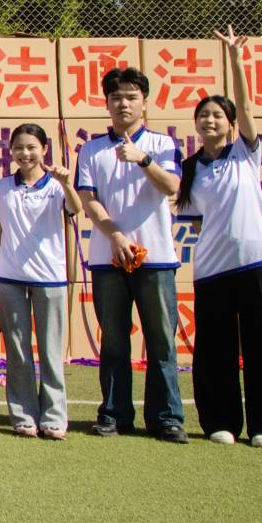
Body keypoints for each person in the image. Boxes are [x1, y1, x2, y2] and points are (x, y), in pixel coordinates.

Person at [178, 27, 262, 449]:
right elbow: (195, 224)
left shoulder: (245, 153)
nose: (210, 121)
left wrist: (236, 61)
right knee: (215, 350)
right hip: (212, 270)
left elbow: (246, 104)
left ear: (230, 123)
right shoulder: (189, 169)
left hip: (258, 262)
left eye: (217, 116)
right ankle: (219, 421)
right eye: (203, 115)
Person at [74, 65, 186, 443]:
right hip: (108, 258)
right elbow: (89, 201)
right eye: (116, 97)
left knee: (161, 340)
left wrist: (142, 159)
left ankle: (166, 417)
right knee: (114, 339)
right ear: (106, 103)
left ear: (144, 102)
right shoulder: (91, 149)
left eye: (131, 97)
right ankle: (114, 413)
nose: (123, 104)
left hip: (156, 258)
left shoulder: (162, 144)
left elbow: (171, 185)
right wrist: (116, 236)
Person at [0, 122, 78, 440]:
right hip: (10, 277)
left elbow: (76, 209)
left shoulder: (57, 185)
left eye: (31, 147)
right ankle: (24, 415)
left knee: (51, 351)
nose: (24, 153)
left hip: (50, 277)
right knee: (17, 350)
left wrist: (66, 184)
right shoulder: (1, 187)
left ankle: (53, 417)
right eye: (18, 147)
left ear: (44, 150)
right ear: (10, 151)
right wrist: (0, 266)